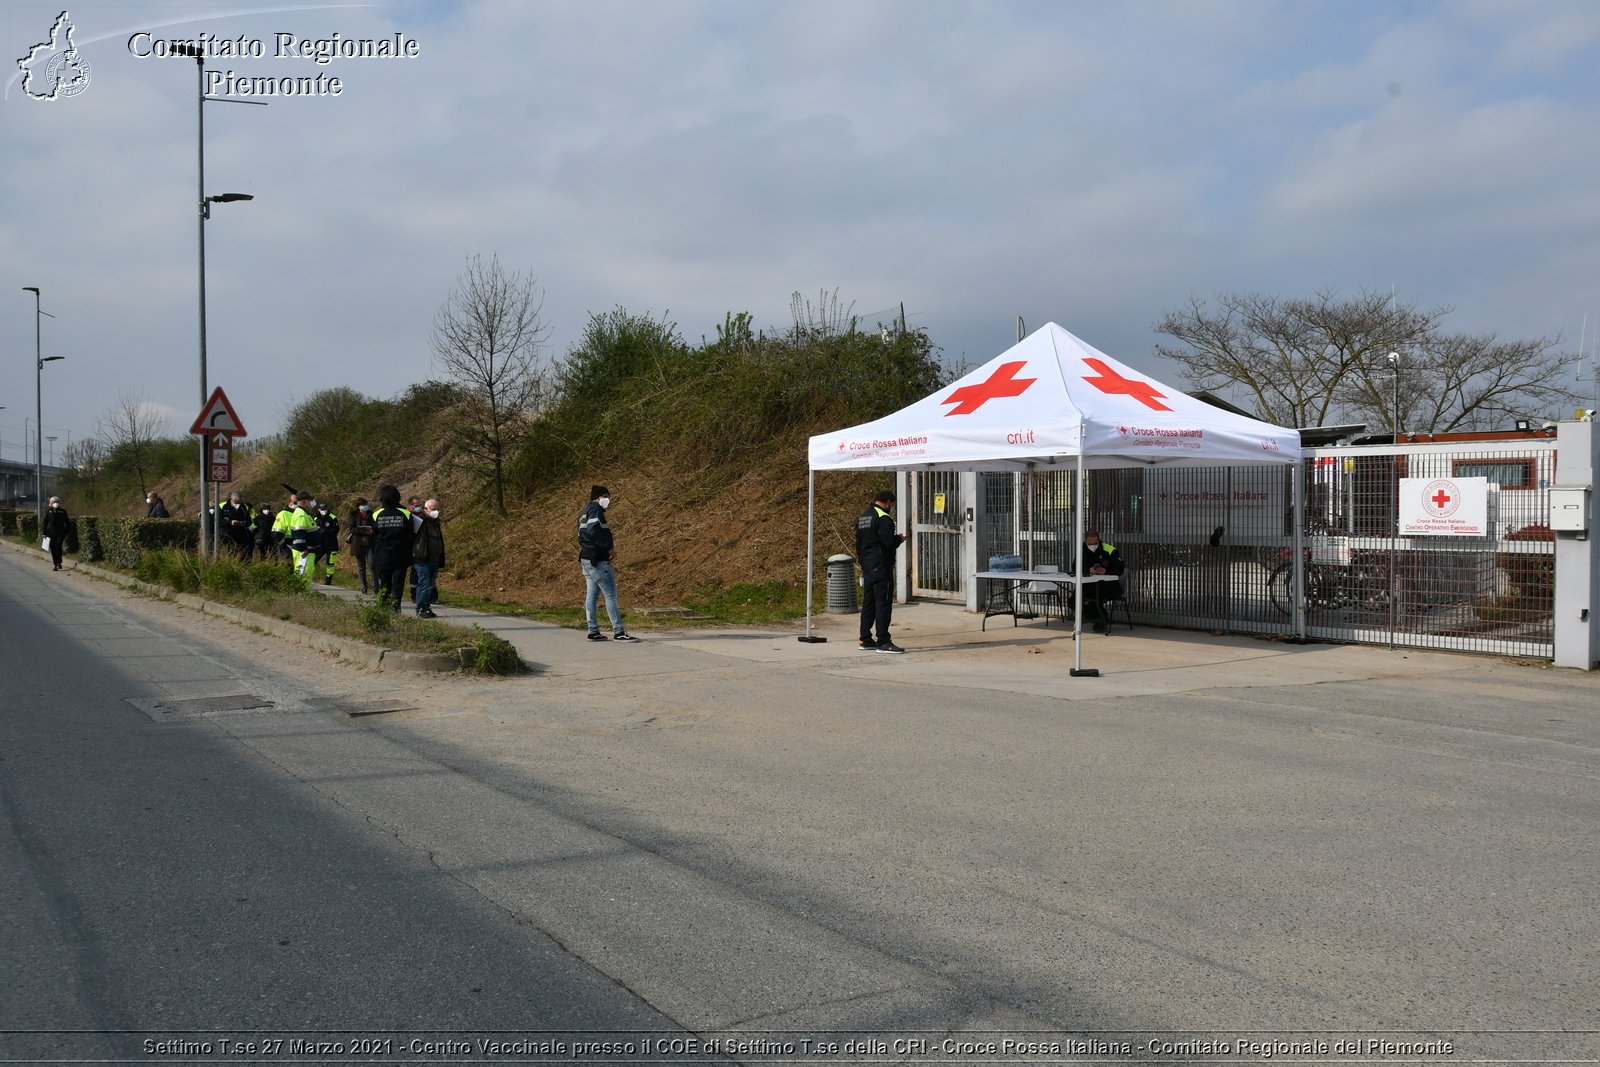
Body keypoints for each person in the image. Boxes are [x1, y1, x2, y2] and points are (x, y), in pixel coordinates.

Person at [577, 485, 636, 641]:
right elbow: (592, 532)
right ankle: (619, 632)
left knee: (591, 596)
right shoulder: (595, 510)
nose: (608, 500)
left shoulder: (584, 512)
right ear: (598, 497)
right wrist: (608, 548)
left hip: (586, 558)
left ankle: (593, 630)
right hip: (598, 560)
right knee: (610, 595)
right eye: (605, 496)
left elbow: (582, 535)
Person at [856, 489, 907, 653]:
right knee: (883, 604)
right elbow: (888, 543)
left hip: (868, 566)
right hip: (881, 567)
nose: (891, 507)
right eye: (891, 504)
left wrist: (864, 565)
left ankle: (865, 638)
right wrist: (899, 539)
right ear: (887, 502)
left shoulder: (864, 517)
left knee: (868, 604)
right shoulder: (884, 519)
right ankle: (884, 641)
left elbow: (859, 544)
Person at [369, 484, 415, 612]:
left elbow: (373, 534)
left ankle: (383, 606)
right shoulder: (406, 514)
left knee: (384, 582)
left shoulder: (376, 514)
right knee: (398, 583)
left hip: (382, 555)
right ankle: (396, 607)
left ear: (381, 498)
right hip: (401, 554)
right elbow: (411, 533)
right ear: (398, 497)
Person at [1078, 529, 1126, 634]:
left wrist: (1106, 571)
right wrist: (1088, 570)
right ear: (1086, 541)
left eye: (1095, 543)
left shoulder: (1109, 550)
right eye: (1090, 544)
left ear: (1099, 540)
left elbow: (1120, 569)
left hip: (1108, 585)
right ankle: (1096, 617)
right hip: (1088, 585)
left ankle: (1101, 620)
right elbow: (1074, 567)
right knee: (1073, 601)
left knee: (1096, 600)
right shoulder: (1082, 549)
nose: (1093, 546)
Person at [411, 498, 445, 619]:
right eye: (433, 509)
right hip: (422, 559)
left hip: (434, 559)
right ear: (425, 509)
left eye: (437, 509)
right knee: (423, 584)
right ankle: (420, 608)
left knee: (430, 585)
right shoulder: (420, 520)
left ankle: (426, 607)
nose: (436, 511)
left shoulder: (436, 522)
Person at [285, 493, 320, 585]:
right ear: (304, 502)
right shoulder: (301, 514)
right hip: (304, 552)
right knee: (303, 576)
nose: (311, 503)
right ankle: (302, 595)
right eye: (310, 501)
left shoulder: (304, 513)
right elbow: (299, 533)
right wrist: (303, 549)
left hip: (307, 551)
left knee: (306, 575)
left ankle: (303, 594)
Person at [343, 498, 375, 593]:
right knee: (361, 568)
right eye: (363, 505)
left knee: (372, 565)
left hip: (370, 544)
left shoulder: (371, 514)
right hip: (358, 544)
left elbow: (375, 526)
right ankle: (363, 587)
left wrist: (372, 531)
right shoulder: (353, 515)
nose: (365, 506)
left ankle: (375, 587)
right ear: (358, 506)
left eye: (366, 504)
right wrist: (364, 531)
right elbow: (352, 528)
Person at [311, 500, 340, 585]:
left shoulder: (333, 518)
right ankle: (309, 577)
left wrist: (326, 531)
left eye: (324, 509)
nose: (323, 511)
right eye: (321, 509)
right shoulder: (316, 518)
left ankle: (328, 580)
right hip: (319, 544)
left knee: (330, 563)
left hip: (331, 544)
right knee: (313, 560)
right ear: (319, 510)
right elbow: (312, 529)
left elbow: (336, 530)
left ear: (327, 509)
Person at [219, 492, 253, 558]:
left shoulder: (244, 507)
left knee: (246, 548)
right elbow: (218, 521)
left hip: (240, 532)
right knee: (230, 550)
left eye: (240, 502)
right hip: (227, 532)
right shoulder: (222, 506)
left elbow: (249, 520)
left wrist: (245, 523)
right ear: (232, 499)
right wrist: (230, 522)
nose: (239, 504)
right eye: (237, 502)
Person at [42, 496, 70, 571]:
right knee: (53, 548)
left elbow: (67, 521)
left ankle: (59, 562)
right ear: (51, 503)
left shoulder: (63, 511)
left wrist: (67, 530)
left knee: (58, 546)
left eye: (57, 502)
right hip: (51, 532)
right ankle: (55, 564)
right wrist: (44, 533)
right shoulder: (48, 511)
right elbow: (45, 522)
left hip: (61, 532)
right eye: (54, 502)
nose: (56, 504)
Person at [271, 492, 300, 565]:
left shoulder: (301, 513)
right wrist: (283, 547)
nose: (296, 504)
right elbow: (276, 534)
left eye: (298, 502)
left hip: (300, 547)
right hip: (287, 546)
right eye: (295, 502)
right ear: (289, 502)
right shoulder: (283, 513)